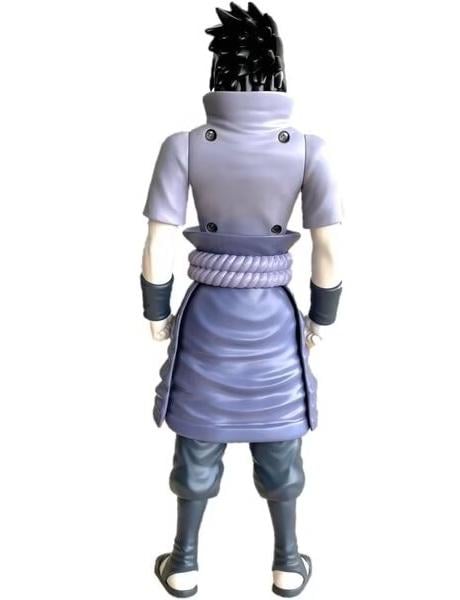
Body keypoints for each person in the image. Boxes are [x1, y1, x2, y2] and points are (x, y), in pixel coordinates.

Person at [140, 3, 343, 597]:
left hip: (208, 315)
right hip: (274, 318)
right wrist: (323, 317)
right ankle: (287, 563)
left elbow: (157, 241)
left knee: (198, 436)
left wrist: (156, 310)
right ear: (279, 70)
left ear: (217, 72)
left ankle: (183, 563)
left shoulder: (184, 145)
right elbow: (329, 249)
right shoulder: (308, 149)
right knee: (279, 438)